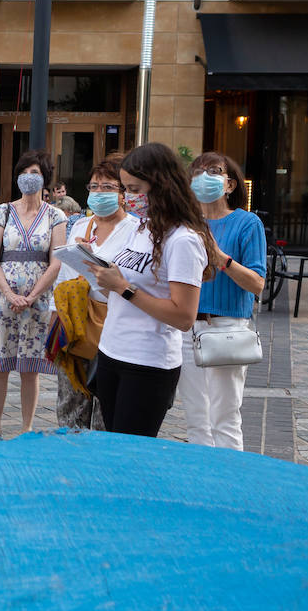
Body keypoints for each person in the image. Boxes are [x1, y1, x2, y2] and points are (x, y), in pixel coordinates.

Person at [89, 142, 216, 438]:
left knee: (131, 456)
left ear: (161, 185)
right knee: (114, 446)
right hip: (112, 351)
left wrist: (124, 288)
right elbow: (125, 285)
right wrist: (104, 275)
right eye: (126, 189)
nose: (128, 198)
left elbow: (184, 316)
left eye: (134, 189)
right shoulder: (141, 228)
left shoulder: (183, 239)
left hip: (147, 362)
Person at [0, 150, 67, 437]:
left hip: (38, 299)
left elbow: (57, 260)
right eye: (25, 172)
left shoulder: (56, 215)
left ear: (45, 178)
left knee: (31, 366)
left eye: (35, 173)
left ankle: (27, 427)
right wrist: (9, 292)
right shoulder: (2, 211)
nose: (29, 178)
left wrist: (33, 295)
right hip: (3, 296)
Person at [178, 152, 266, 450]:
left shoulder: (246, 223)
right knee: (196, 417)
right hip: (187, 327)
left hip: (225, 327)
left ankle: (232, 485)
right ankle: (204, 484)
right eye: (198, 172)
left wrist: (222, 260)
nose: (205, 177)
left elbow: (257, 283)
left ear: (229, 185)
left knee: (224, 417)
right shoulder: (184, 225)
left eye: (214, 171)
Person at [51, 157, 132, 430]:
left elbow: (130, 280)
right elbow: (64, 274)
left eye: (107, 187)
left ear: (123, 193)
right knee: (71, 404)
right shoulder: (80, 226)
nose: (98, 193)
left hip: (112, 323)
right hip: (76, 321)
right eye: (94, 186)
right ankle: (70, 461)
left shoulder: (134, 230)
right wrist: (55, 317)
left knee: (105, 410)